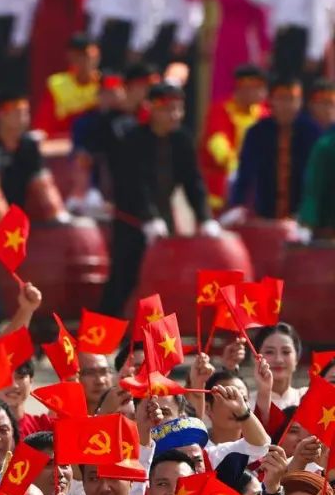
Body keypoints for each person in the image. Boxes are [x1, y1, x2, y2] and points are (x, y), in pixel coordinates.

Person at [92, 82, 215, 317]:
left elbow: (193, 183)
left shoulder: (182, 141)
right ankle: (96, 344)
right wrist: (148, 218)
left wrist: (205, 218)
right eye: (169, 109)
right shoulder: (132, 141)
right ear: (152, 109)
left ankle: (155, 343)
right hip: (131, 221)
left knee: (163, 284)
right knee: (122, 281)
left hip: (163, 221)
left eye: (179, 109)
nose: (175, 115)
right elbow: (132, 185)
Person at [0, 94, 68, 327]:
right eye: (18, 112)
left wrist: (58, 215)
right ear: (3, 115)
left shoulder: (29, 145)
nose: (24, 118)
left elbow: (42, 182)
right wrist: (5, 222)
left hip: (14, 220)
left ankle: (21, 319)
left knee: (19, 269)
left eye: (26, 112)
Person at [229, 75, 319, 222]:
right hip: (264, 216)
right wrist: (238, 205)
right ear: (271, 101)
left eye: (293, 99)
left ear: (300, 102)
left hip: (301, 218)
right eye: (282, 99)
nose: (288, 105)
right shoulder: (257, 132)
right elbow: (245, 173)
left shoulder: (312, 132)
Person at [198, 65, 269, 211]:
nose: (262, 94)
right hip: (221, 186)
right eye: (257, 88)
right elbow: (217, 143)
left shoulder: (264, 114)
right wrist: (237, 168)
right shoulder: (220, 110)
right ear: (242, 88)